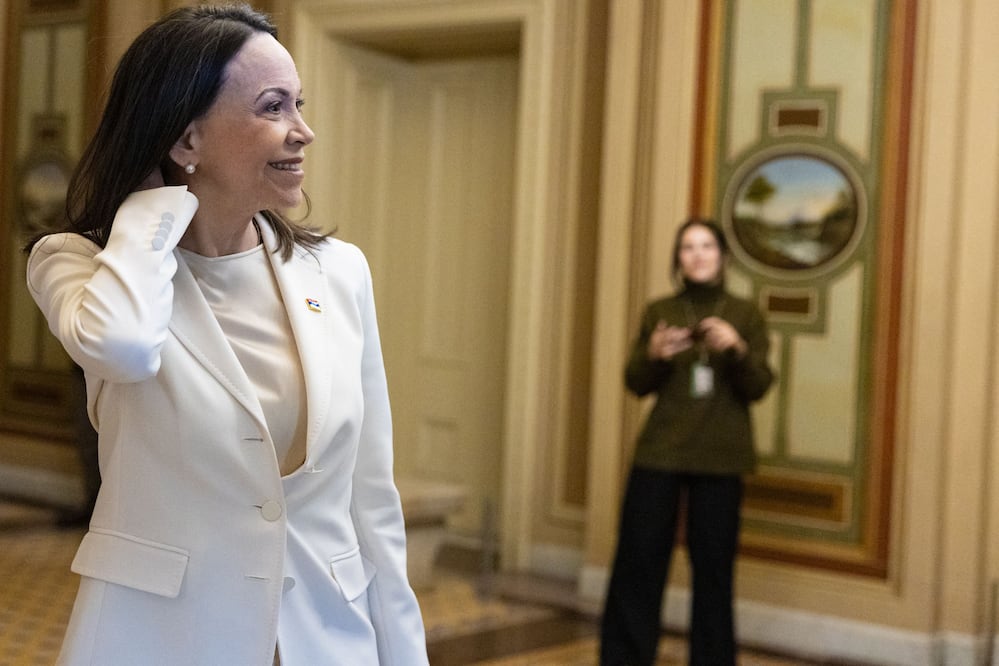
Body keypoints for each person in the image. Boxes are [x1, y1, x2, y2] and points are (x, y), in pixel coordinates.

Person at [25, 4, 428, 664]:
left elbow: (371, 502)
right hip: (158, 642)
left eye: (299, 104)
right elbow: (122, 346)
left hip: (325, 640)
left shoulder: (340, 272)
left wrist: (403, 654)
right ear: (187, 140)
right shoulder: (79, 265)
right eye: (274, 107)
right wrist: (153, 209)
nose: (304, 131)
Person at [599, 218, 774, 666]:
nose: (697, 254)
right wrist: (654, 355)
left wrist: (735, 348)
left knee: (714, 573)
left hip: (720, 458)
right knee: (638, 563)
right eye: (687, 247)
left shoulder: (746, 314)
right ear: (678, 259)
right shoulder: (661, 310)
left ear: (722, 256)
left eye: (707, 246)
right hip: (660, 452)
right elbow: (635, 382)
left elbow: (757, 387)